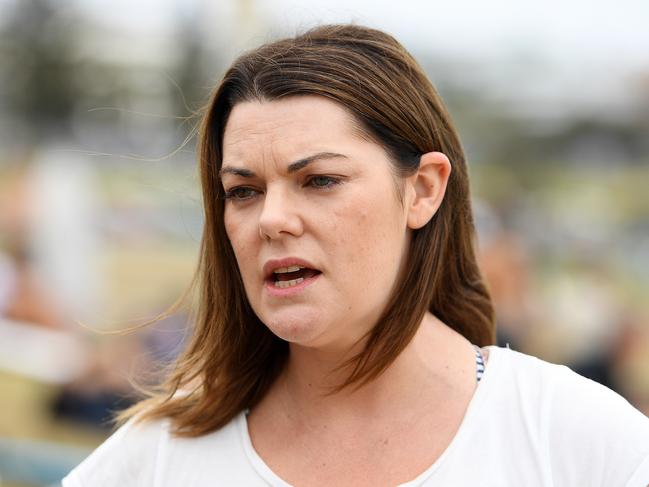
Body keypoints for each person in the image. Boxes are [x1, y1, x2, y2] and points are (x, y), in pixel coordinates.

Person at [62, 24, 649, 486]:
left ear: (422, 190)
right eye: (243, 191)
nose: (271, 219)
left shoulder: (578, 441)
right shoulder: (156, 458)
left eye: (318, 180)